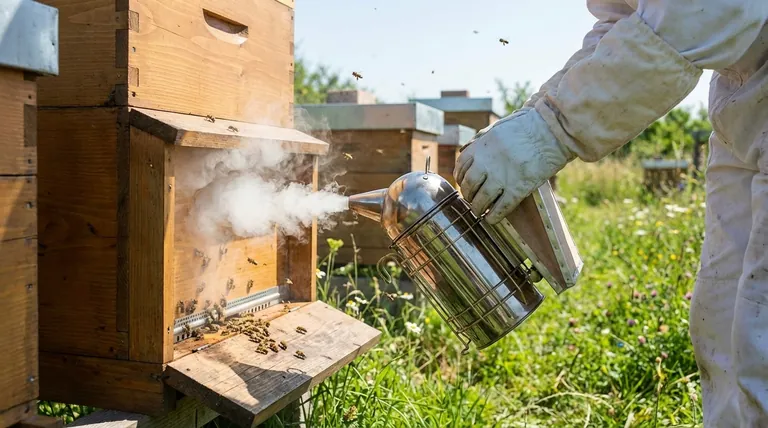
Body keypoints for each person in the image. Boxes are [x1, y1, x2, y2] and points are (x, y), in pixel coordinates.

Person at [453, 1, 768, 426]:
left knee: (761, 335)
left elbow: (706, 8)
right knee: (722, 320)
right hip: (744, 105)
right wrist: (534, 113)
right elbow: (623, 21)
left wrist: (550, 129)